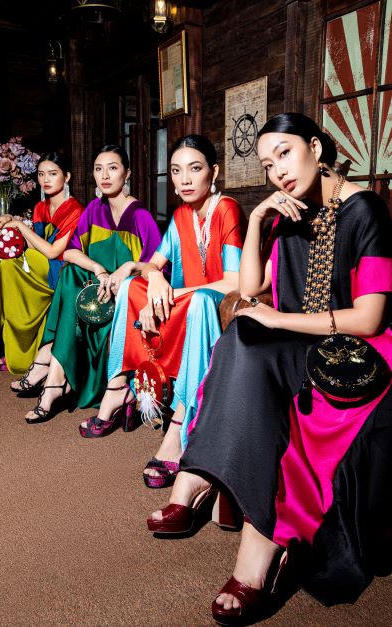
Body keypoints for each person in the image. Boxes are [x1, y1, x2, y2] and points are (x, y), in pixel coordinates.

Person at [147, 113, 392, 624]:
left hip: (353, 354)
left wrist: (278, 318)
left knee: (257, 350)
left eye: (285, 153)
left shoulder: (365, 210)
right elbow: (250, 287)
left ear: (316, 148)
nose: (277, 170)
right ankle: (195, 478)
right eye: (266, 164)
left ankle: (254, 554)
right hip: (299, 339)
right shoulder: (286, 211)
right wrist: (259, 218)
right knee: (239, 336)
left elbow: (369, 319)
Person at [79, 135, 247, 472]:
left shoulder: (227, 209)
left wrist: (168, 293)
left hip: (213, 303)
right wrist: (151, 274)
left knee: (199, 301)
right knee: (131, 285)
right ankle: (118, 386)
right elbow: (154, 263)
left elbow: (234, 283)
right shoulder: (182, 214)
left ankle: (182, 420)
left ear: (214, 172)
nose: (184, 180)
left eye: (195, 169)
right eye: (176, 171)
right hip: (184, 300)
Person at [20, 144, 162, 422]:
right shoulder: (94, 210)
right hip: (96, 292)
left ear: (127, 174)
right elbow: (69, 252)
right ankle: (55, 379)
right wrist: (98, 269)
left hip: (126, 299)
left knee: (72, 280)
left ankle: (52, 374)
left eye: (113, 168)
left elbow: (156, 270)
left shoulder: (140, 216)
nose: (104, 176)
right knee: (71, 272)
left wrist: (124, 276)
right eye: (98, 169)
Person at [0, 152, 83, 375]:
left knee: (10, 268)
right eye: (41, 174)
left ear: (67, 177)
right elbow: (34, 246)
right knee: (8, 266)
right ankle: (16, 350)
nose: (46, 179)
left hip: (61, 270)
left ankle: (12, 348)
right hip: (40, 263)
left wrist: (19, 225)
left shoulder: (76, 210)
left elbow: (53, 252)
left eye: (52, 174)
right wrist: (6, 224)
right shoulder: (41, 207)